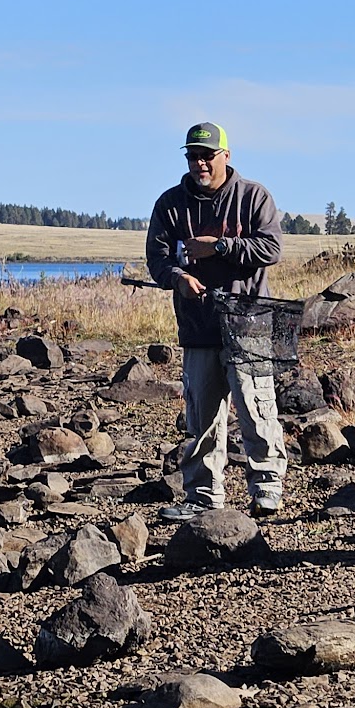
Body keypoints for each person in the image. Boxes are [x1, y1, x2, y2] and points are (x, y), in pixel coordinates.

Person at [145, 122, 287, 519]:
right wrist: (178, 278)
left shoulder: (253, 197)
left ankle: (267, 490)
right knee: (202, 417)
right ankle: (203, 498)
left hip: (249, 323)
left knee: (257, 410)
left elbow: (271, 247)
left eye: (208, 155)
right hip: (198, 326)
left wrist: (219, 246)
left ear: (226, 155)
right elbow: (157, 258)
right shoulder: (170, 204)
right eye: (193, 155)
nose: (200, 163)